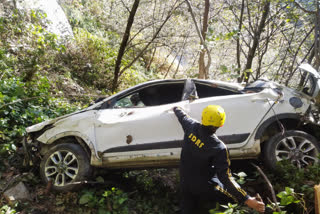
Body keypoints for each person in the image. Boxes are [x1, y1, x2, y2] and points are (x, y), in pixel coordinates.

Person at [172, 105, 265, 214]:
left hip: (185, 180)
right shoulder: (219, 148)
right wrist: (247, 199)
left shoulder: (191, 126)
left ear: (203, 118)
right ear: (221, 124)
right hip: (204, 186)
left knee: (188, 209)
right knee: (234, 198)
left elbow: (182, 116)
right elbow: (225, 177)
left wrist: (176, 108)